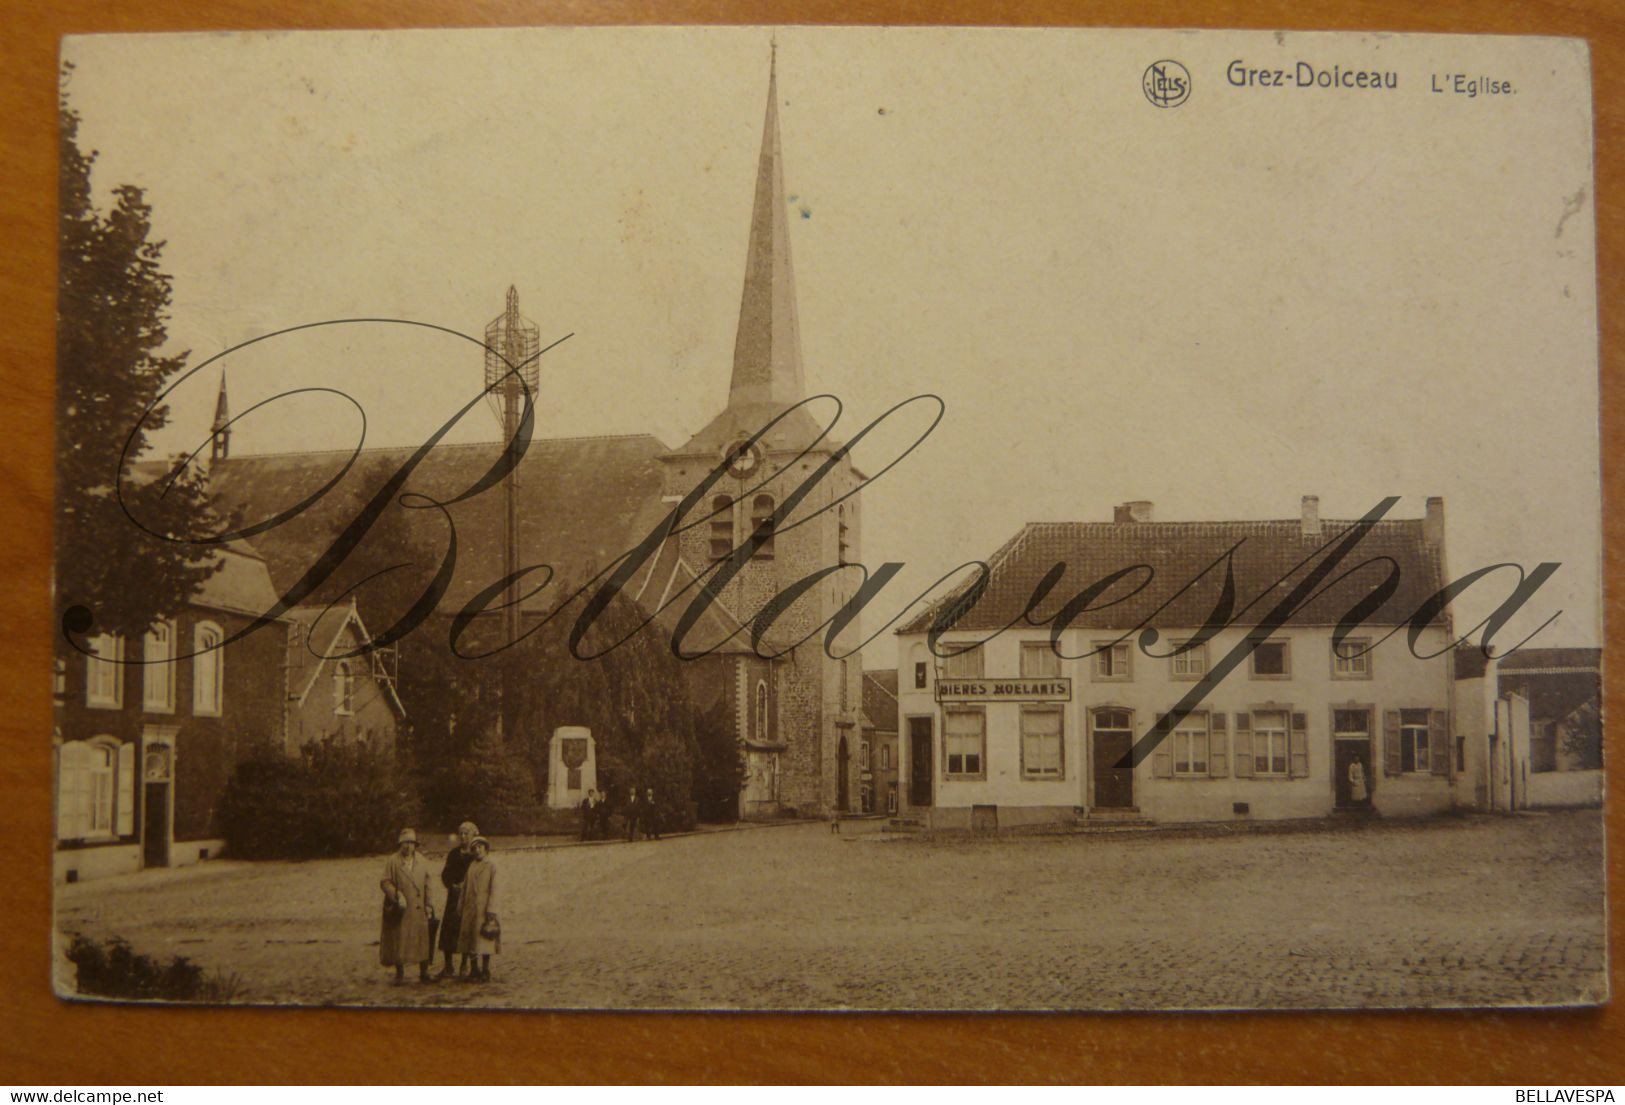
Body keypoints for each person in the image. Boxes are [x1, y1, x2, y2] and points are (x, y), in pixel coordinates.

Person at [379, 828, 435, 984]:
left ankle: (424, 972)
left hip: (419, 908)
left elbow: (428, 884)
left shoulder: (422, 861)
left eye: (411, 843)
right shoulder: (393, 861)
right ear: (400, 844)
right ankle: (400, 974)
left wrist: (429, 904)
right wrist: (397, 894)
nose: (408, 847)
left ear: (415, 845)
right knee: (400, 939)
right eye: (405, 843)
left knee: (421, 939)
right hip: (401, 908)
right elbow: (384, 882)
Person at [436, 820, 478, 980]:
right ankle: (448, 965)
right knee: (448, 929)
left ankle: (464, 964)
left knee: (465, 928)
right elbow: (445, 873)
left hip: (468, 898)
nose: (462, 836)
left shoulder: (475, 854)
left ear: (473, 835)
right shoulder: (454, 854)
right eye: (460, 833)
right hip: (454, 897)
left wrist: (466, 885)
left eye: (466, 833)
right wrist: (452, 884)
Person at [456, 836, 500, 982]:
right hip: (470, 908)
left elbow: (495, 889)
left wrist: (492, 909)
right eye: (474, 848)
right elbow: (465, 887)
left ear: (486, 849)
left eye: (480, 847)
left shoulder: (492, 865)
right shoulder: (472, 865)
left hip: (484, 909)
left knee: (485, 938)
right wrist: (460, 905)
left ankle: (485, 969)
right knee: (470, 940)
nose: (477, 850)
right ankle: (474, 969)